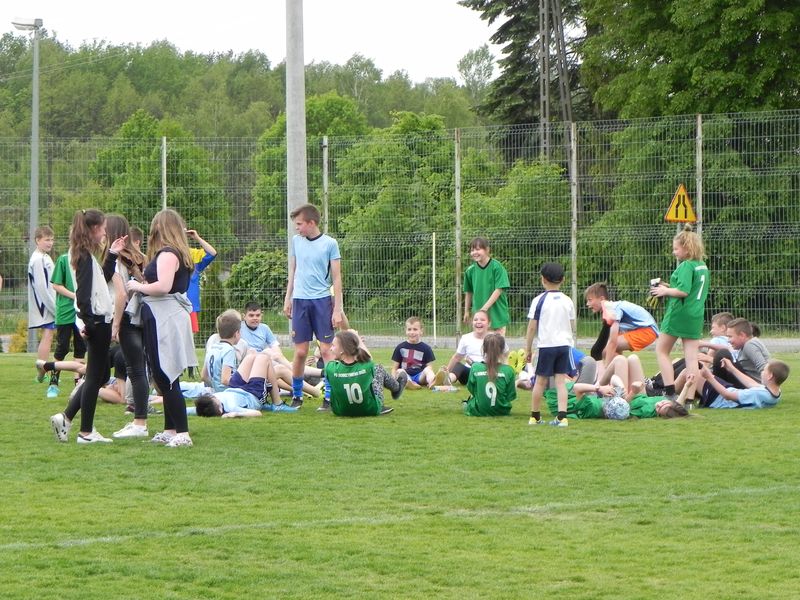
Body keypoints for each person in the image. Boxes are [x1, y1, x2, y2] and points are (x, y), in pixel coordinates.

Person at [50, 209, 124, 444]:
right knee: (94, 377)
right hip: (97, 323)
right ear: (93, 229)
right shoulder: (83, 256)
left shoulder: (85, 255)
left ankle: (66, 417)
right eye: (102, 228)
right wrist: (90, 325)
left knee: (98, 374)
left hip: (98, 322)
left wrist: (112, 255)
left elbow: (100, 280)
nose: (104, 232)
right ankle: (86, 432)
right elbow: (83, 295)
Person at [126, 208, 198, 447]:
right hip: (165, 315)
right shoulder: (177, 253)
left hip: (164, 317)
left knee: (166, 374)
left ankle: (183, 433)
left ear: (161, 227)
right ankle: (170, 429)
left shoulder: (168, 253)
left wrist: (136, 286)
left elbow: (163, 286)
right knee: (163, 374)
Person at [282, 203, 344, 411]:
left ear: (311, 223)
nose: (297, 228)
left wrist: (337, 309)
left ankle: (329, 397)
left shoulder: (330, 244)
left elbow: (337, 277)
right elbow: (293, 271)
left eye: (299, 224)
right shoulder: (296, 242)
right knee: (300, 352)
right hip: (300, 301)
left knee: (326, 350)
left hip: (322, 301)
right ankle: (297, 395)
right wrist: (288, 298)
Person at [100, 214, 153, 440]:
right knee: (144, 370)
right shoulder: (139, 256)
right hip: (144, 315)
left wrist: (116, 324)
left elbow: (120, 294)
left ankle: (140, 422)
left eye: (104, 228)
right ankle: (142, 419)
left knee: (136, 370)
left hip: (127, 317)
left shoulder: (115, 259)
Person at [650, 225, 709, 403]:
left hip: (679, 313)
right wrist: (668, 287)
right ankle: (689, 400)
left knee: (661, 350)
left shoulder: (686, 265)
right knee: (691, 358)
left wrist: (664, 291)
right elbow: (690, 289)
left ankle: (670, 392)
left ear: (687, 248)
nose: (674, 252)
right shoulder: (702, 266)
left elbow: (683, 291)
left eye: (676, 249)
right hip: (695, 315)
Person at [525, 262, 576, 427]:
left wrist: (528, 348)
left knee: (540, 381)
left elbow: (532, 327)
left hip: (546, 346)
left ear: (543, 279)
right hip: (564, 346)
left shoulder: (538, 300)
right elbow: (573, 325)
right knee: (560, 381)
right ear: (563, 279)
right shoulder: (567, 300)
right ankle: (562, 418)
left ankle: (535, 417)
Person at [325, 330, 407, 417]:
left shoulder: (331, 368)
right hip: (370, 409)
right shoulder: (366, 366)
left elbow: (319, 372)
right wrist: (359, 341)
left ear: (342, 350)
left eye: (333, 345)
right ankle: (396, 388)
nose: (331, 348)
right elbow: (370, 361)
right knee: (378, 368)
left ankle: (396, 388)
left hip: (341, 411)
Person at [192, 350, 297, 416]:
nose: (214, 397)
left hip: (235, 388)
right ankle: (278, 404)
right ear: (220, 409)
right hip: (252, 394)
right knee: (264, 358)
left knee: (251, 356)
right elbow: (257, 413)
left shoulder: (208, 404)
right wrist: (235, 414)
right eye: (214, 399)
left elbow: (188, 410)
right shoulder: (231, 408)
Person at [47, 248, 87, 398]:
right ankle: (53, 383)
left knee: (80, 348)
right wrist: (75, 295)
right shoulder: (63, 260)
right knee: (62, 347)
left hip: (82, 311)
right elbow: (56, 285)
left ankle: (78, 384)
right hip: (65, 311)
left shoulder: (87, 259)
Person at [583, 282, 659, 363]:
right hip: (648, 330)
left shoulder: (611, 309)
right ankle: (623, 369)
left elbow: (613, 342)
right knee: (611, 352)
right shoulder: (610, 308)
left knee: (605, 349)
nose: (587, 304)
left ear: (601, 299)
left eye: (590, 300)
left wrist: (606, 366)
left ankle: (619, 368)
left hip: (647, 331)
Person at [462, 237, 510, 335]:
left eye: (478, 249)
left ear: (487, 250)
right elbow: (468, 292)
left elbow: (499, 290)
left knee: (496, 344)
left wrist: (484, 309)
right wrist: (466, 311)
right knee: (479, 343)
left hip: (497, 316)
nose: (474, 252)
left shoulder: (497, 267)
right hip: (479, 318)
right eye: (472, 250)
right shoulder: (470, 270)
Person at [698, 358, 789, 409]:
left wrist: (709, 377)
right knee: (696, 370)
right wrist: (731, 368)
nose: (761, 372)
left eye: (764, 370)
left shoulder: (758, 394)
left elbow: (727, 395)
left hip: (717, 398)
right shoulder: (775, 392)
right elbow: (751, 383)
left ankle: (688, 403)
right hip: (725, 391)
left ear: (770, 376)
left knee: (694, 373)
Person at [435, 310, 493, 387]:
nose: (478, 322)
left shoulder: (494, 338)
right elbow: (457, 357)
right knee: (458, 366)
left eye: (482, 320)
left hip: (486, 373)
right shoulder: (466, 338)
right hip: (469, 374)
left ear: (489, 323)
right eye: (475, 320)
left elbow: (503, 356)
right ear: (472, 323)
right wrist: (447, 371)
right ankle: (447, 379)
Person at [464, 333, 516, 416]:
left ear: (484, 349)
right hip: (502, 411)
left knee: (470, 400)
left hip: (478, 410)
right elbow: (510, 395)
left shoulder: (475, 367)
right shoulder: (509, 370)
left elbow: (471, 389)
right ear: (502, 350)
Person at [28, 225, 57, 372]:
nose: (50, 243)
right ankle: (42, 370)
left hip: (48, 304)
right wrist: (54, 308)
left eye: (51, 240)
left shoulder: (44, 256)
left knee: (49, 336)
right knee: (47, 335)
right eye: (46, 240)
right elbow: (41, 287)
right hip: (45, 306)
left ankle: (42, 369)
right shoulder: (38, 259)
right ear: (37, 240)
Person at [713, 318, 770, 386]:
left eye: (730, 336)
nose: (728, 340)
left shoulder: (750, 345)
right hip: (747, 381)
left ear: (742, 335)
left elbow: (764, 368)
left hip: (752, 385)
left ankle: (715, 388)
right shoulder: (747, 344)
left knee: (722, 353)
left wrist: (765, 389)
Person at [186, 228, 217, 336]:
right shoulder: (167, 253)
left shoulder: (193, 254)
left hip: (190, 304)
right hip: (173, 303)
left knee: (189, 337)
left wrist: (197, 238)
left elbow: (212, 253)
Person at [391, 316, 436, 389]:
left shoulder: (426, 348)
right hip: (406, 375)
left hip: (420, 376)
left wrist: (428, 375)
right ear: (406, 331)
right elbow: (394, 368)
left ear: (421, 331)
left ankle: (433, 382)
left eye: (415, 329)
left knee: (428, 369)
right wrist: (393, 380)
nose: (412, 332)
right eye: (409, 329)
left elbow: (430, 367)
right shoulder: (400, 347)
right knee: (399, 371)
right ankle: (410, 383)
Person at [202, 309, 242, 392]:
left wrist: (215, 386)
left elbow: (204, 376)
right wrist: (242, 385)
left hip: (215, 391)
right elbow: (225, 380)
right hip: (228, 392)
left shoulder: (213, 348)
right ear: (236, 333)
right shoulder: (229, 351)